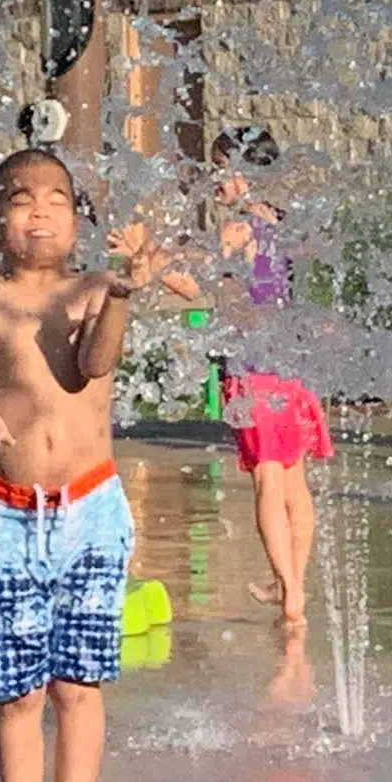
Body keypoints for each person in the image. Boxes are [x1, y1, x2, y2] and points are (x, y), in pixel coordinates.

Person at [0, 147, 163, 782]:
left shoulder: (95, 290)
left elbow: (90, 368)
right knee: (18, 694)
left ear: (77, 217)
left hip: (91, 507)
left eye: (57, 199)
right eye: (21, 199)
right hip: (8, 511)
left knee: (77, 685)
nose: (40, 211)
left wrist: (123, 295)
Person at [130, 128, 333, 624]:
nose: (213, 179)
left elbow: (196, 287)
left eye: (221, 168)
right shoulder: (277, 222)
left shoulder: (236, 229)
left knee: (267, 484)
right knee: (295, 486)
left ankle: (292, 598)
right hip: (292, 369)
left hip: (255, 372)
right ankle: (292, 585)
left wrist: (149, 264)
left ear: (245, 172)